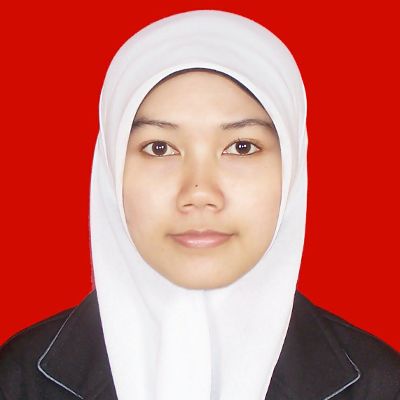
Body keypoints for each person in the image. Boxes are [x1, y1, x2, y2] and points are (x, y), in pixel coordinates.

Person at [0, 10, 398, 400]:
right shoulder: (16, 379)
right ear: (110, 168)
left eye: (241, 147)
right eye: (160, 148)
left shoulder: (381, 384)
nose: (200, 191)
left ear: (292, 167)